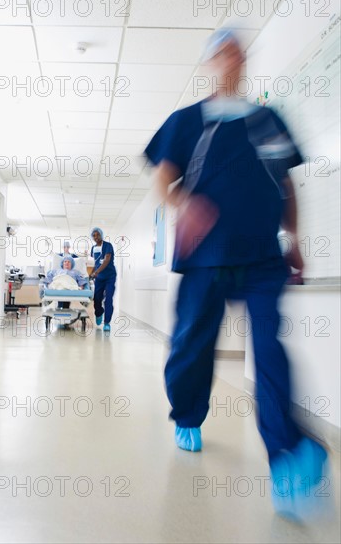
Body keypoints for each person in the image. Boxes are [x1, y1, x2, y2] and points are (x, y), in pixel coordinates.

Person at [144, 28, 328, 518]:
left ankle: (286, 454)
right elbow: (163, 177)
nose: (233, 60)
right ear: (207, 63)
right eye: (223, 53)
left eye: (240, 53)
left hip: (262, 258)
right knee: (190, 346)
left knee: (269, 349)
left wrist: (295, 240)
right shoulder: (188, 122)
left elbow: (285, 182)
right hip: (205, 259)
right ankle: (188, 413)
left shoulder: (269, 120)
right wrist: (186, 205)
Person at [89, 227, 116, 333]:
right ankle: (99, 313)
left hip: (109, 276)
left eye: (97, 235)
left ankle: (107, 323)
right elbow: (95, 263)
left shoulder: (108, 246)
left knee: (108, 298)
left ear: (101, 235)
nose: (96, 237)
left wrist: (96, 272)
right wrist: (91, 273)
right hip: (99, 278)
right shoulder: (93, 248)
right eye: (94, 236)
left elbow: (106, 260)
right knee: (97, 299)